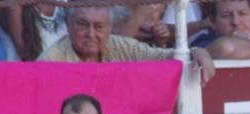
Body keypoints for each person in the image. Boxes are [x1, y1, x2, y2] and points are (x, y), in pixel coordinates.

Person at [40, 5, 216, 83]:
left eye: (99, 26)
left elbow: (160, 56)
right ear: (69, 26)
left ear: (110, 29)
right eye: (82, 24)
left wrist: (195, 50)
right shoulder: (51, 60)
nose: (91, 34)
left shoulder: (117, 45)